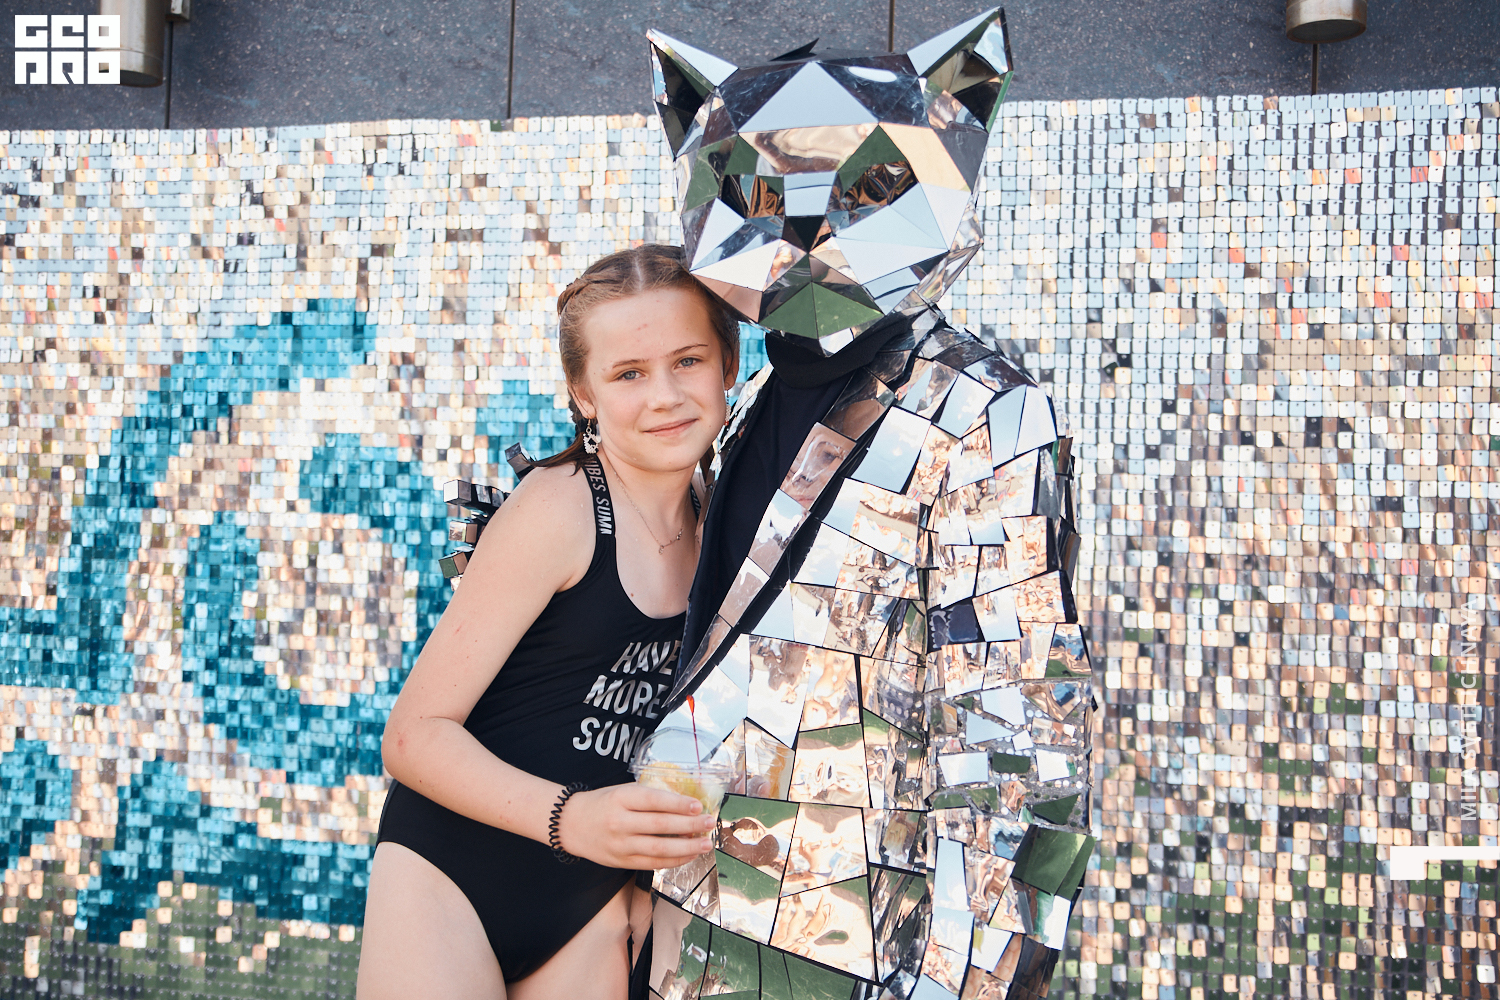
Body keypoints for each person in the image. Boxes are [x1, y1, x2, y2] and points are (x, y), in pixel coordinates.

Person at [356, 245, 741, 1000]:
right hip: (453, 877)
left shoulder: (725, 520)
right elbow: (412, 736)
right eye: (628, 374)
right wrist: (575, 819)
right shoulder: (560, 510)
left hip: (591, 901)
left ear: (728, 364)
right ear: (583, 393)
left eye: (688, 361)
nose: (664, 395)